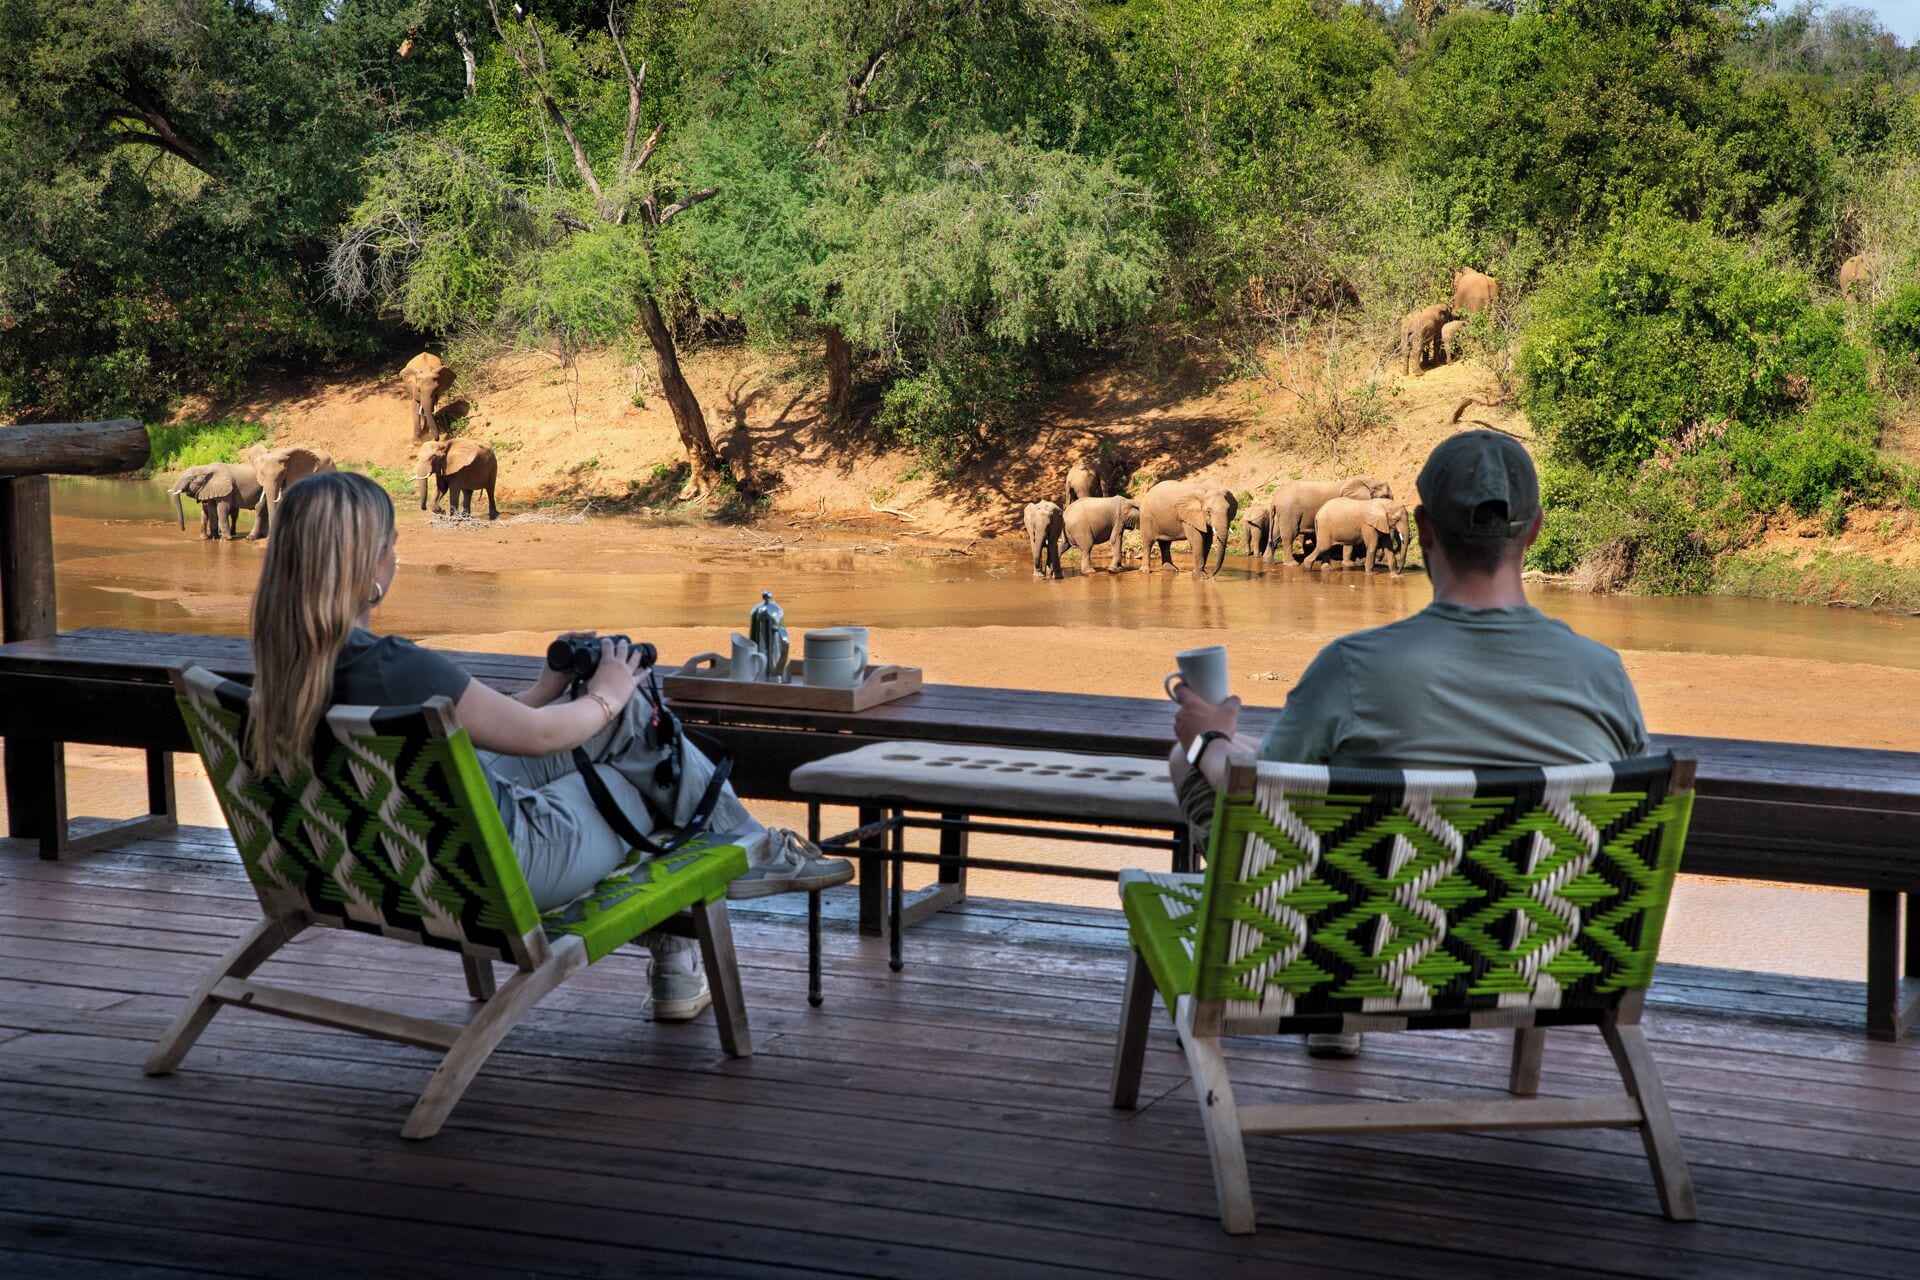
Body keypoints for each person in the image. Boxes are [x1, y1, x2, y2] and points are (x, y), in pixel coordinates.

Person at [245, 471, 851, 1021]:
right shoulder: (397, 666)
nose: (396, 558)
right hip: (508, 869)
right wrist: (611, 692)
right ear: (366, 567)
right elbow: (536, 739)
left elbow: (499, 724)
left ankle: (711, 905)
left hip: (377, 865)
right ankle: (747, 851)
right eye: (391, 545)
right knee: (645, 764)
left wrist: (548, 688)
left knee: (634, 745)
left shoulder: (281, 671)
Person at [1168, 430, 1649, 1057]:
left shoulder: (1352, 669)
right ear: (1532, 533)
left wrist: (1209, 738)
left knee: (1194, 762)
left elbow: (1262, 806)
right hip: (1549, 958)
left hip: (1358, 955)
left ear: (1421, 528)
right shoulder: (1602, 673)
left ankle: (1334, 1007)